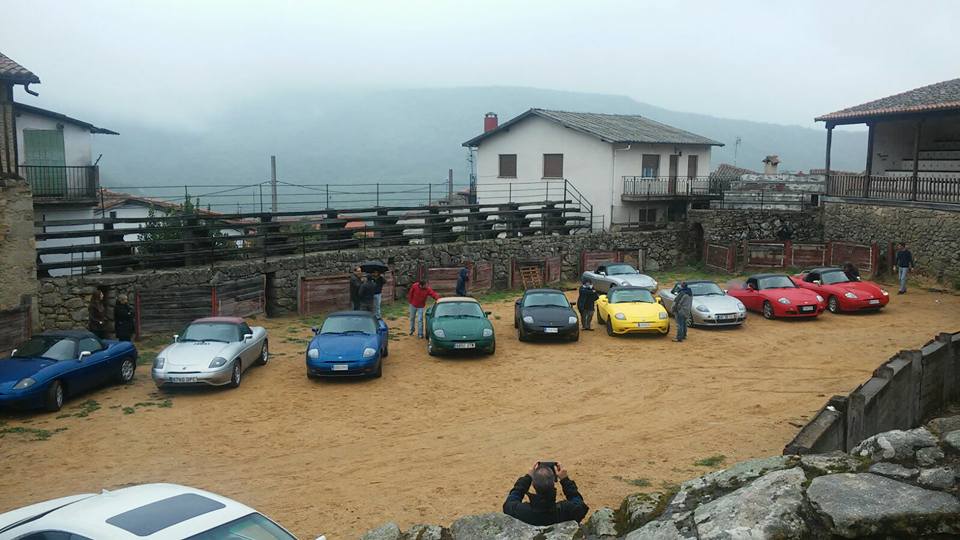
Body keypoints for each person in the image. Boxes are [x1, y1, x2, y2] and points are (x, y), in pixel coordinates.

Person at [503, 462, 588, 526]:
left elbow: (511, 500)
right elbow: (580, 505)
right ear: (553, 483)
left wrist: (527, 478)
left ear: (533, 484)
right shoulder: (567, 511)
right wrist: (565, 480)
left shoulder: (520, 511)